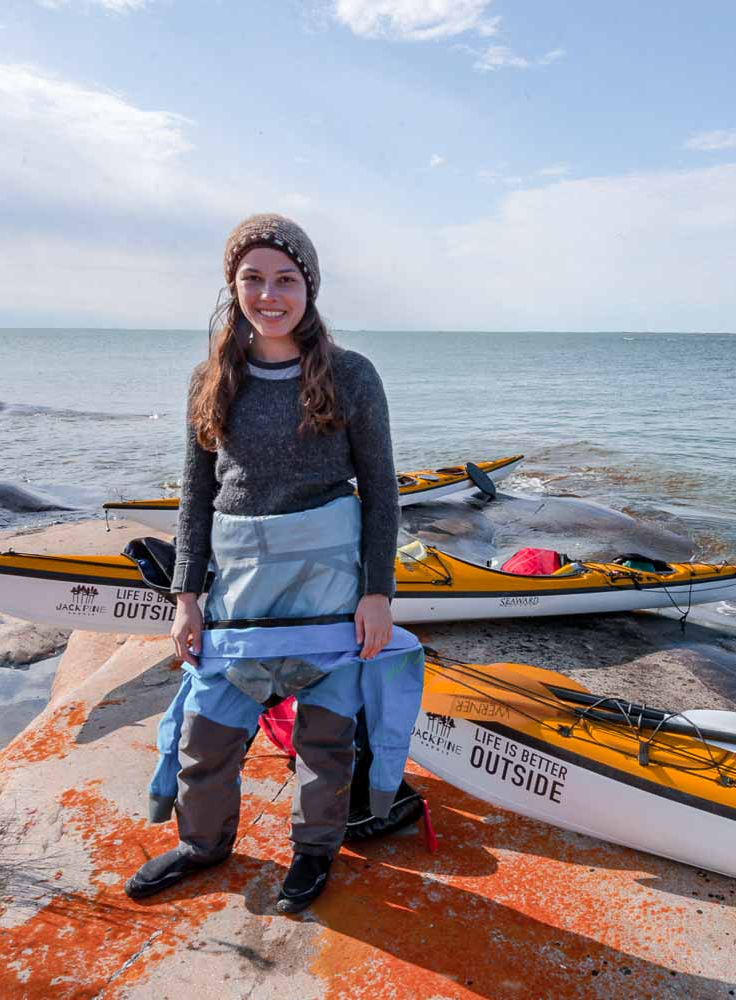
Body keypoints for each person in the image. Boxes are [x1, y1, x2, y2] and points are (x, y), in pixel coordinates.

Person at [126, 213, 424, 912]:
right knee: (209, 732)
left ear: (309, 289)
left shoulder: (351, 376)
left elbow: (380, 492)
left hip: (328, 589)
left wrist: (377, 595)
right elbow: (195, 496)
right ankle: (202, 846)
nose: (270, 294)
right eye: (252, 279)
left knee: (326, 742)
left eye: (285, 279)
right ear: (233, 289)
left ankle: (314, 855)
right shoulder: (211, 379)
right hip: (239, 590)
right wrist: (185, 597)